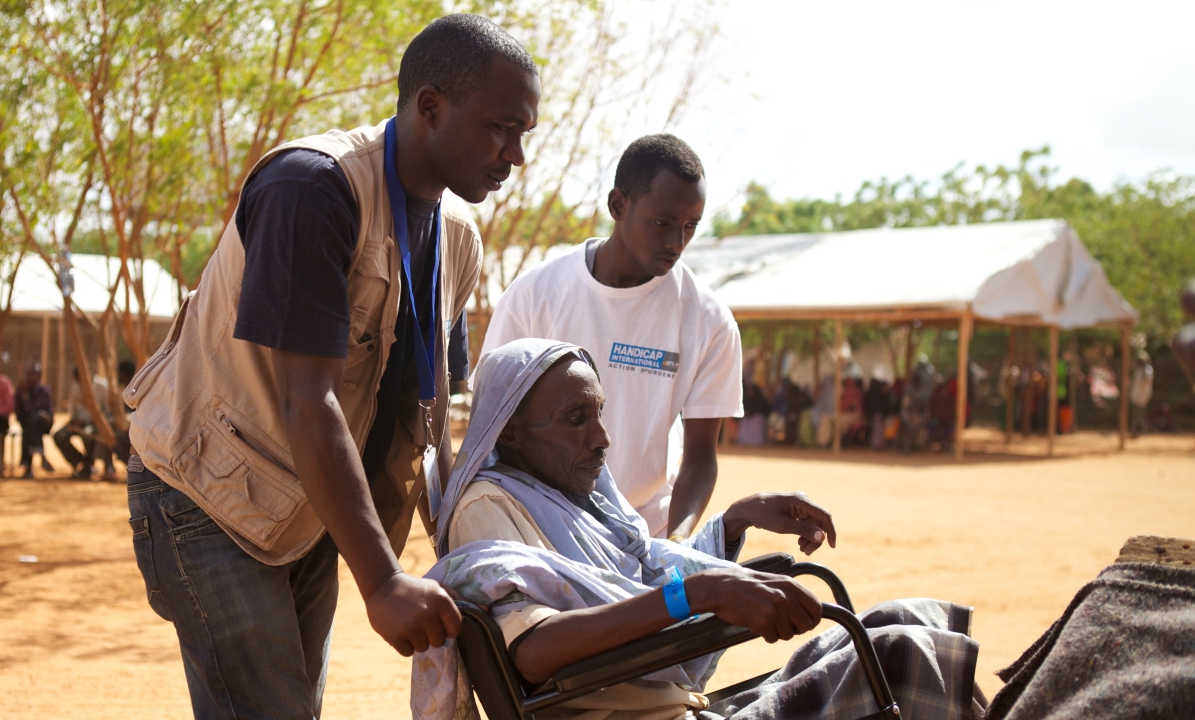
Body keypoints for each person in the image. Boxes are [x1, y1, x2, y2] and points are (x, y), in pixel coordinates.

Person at [122, 14, 539, 718]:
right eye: (502, 127)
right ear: (430, 106)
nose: (515, 155)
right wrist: (380, 581)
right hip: (204, 492)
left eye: (525, 133)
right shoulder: (311, 188)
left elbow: (425, 414)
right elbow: (306, 401)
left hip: (312, 504)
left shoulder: (458, 238)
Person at [413, 338, 983, 720]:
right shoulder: (490, 506)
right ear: (507, 433)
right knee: (899, 651)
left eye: (599, 413)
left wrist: (736, 518)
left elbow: (636, 574)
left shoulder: (561, 494)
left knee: (900, 618)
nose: (602, 439)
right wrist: (699, 594)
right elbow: (534, 652)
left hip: (677, 702)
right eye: (575, 419)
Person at [480, 134, 742, 538]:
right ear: (619, 205)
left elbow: (700, 459)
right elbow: (492, 425)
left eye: (690, 226)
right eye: (662, 223)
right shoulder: (536, 295)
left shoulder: (709, 320)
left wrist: (676, 542)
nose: (677, 242)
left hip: (646, 531)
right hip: (542, 525)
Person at [53, 367, 111, 479]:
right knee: (59, 436)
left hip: (94, 424)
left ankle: (89, 464)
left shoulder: (102, 386)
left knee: (87, 436)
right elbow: (72, 408)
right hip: (77, 423)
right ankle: (82, 462)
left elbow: (107, 412)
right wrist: (74, 420)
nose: (78, 383)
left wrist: (89, 421)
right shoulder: (75, 385)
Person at [14, 364, 54, 478]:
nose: (30, 377)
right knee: (30, 423)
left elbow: (49, 412)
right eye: (28, 374)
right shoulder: (21, 390)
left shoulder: (44, 391)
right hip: (26, 422)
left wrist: (44, 415)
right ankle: (40, 453)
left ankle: (27, 465)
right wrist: (25, 395)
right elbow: (22, 412)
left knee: (32, 424)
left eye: (33, 375)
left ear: (39, 377)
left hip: (42, 424)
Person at [1129, 351, 1154, 438]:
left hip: (1142, 395)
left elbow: (1145, 379)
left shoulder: (1147, 369)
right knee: (1136, 413)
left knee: (1139, 413)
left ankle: (1140, 429)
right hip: (1137, 395)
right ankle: (1138, 429)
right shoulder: (1139, 370)